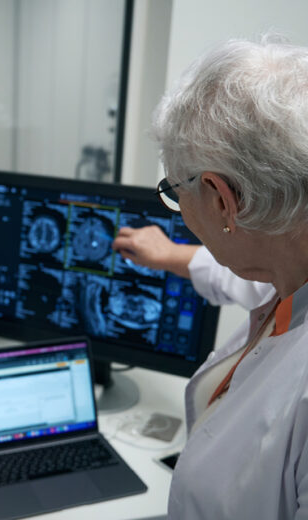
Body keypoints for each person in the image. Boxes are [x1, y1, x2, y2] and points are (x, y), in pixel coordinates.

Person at [112, 34, 308, 519]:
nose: (180, 211)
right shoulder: (288, 269)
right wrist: (172, 256)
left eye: (176, 193)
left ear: (222, 200)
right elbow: (249, 276)